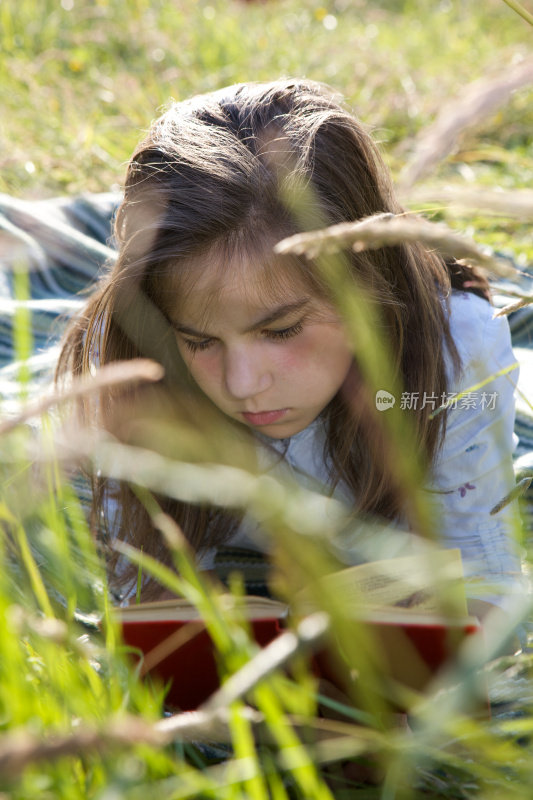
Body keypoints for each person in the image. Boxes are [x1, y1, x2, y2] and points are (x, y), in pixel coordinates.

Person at [56, 79, 523, 623]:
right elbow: (140, 596)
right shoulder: (135, 362)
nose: (242, 383)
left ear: (366, 286)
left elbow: (487, 593)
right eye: (200, 341)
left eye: (279, 331)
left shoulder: (455, 354)